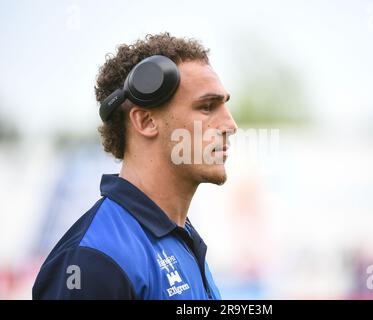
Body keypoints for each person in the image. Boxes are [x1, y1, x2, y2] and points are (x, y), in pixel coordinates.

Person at [32, 32, 238, 299]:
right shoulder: (94, 258)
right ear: (145, 121)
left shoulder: (181, 240)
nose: (230, 125)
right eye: (207, 107)